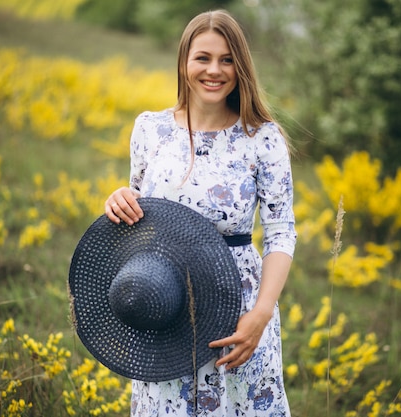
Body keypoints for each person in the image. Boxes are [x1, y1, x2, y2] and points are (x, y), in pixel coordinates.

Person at [104, 9, 297, 417]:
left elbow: (281, 232)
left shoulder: (262, 138)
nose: (215, 70)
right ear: (183, 63)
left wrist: (260, 315)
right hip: (165, 303)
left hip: (238, 312)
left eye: (227, 59)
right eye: (203, 58)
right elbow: (141, 213)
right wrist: (120, 199)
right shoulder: (150, 129)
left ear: (241, 66)